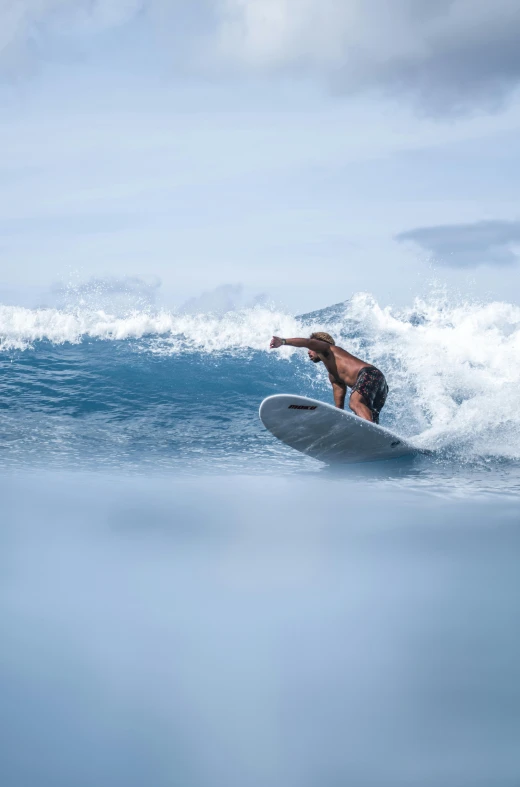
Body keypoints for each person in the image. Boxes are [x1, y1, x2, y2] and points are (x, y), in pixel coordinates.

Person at [269, 332, 388, 423]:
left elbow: (307, 342)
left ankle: (372, 432)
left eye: (312, 348)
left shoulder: (327, 349)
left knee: (355, 403)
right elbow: (339, 409)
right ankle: (376, 441)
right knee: (366, 414)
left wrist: (283, 341)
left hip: (369, 374)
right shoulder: (334, 375)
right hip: (379, 381)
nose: (308, 352)